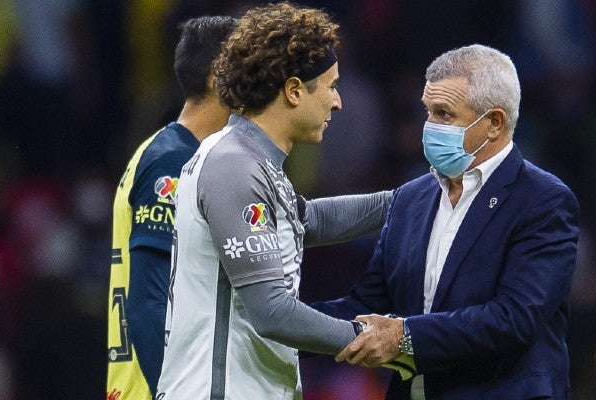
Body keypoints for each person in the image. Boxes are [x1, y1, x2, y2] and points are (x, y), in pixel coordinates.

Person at [315, 44, 581, 399]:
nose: (429, 127)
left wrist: (404, 336)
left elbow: (516, 318)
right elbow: (368, 306)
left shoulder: (543, 200)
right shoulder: (411, 198)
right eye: (427, 112)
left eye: (444, 114)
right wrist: (281, 324)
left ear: (494, 123)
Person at [156, 2, 392, 399]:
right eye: (331, 87)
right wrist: (370, 338)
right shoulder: (234, 167)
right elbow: (273, 313)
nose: (338, 102)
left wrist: (416, 200)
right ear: (295, 91)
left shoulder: (254, 162)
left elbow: (311, 219)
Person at [106, 16, 237, 399]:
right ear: (219, 76)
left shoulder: (180, 155)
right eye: (250, 68)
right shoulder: (171, 164)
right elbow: (148, 302)